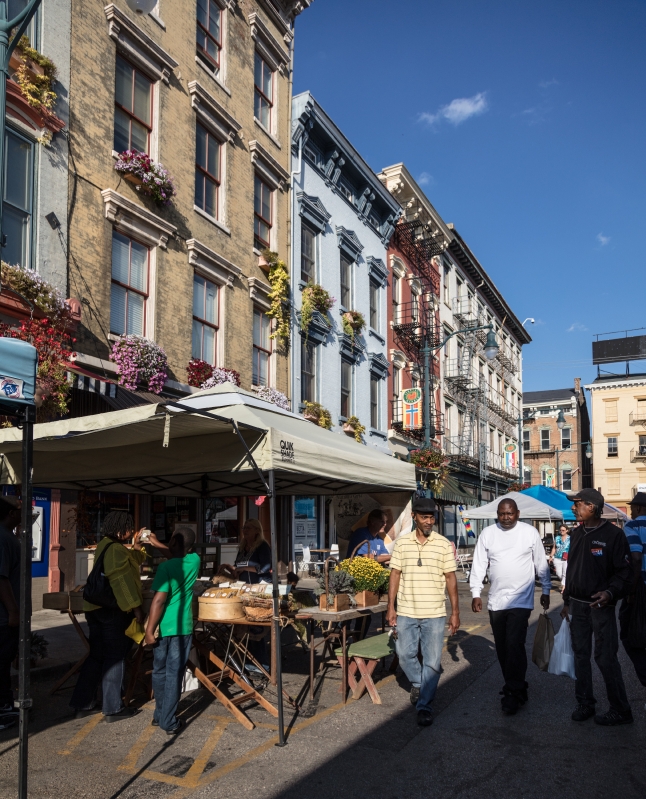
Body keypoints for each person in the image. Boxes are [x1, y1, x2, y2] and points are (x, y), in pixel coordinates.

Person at [470, 498, 551, 716]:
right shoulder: (488, 533)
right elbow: (479, 564)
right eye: (502, 514)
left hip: (520, 600)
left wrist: (545, 590)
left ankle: (513, 691)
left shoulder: (529, 532)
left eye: (510, 513)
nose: (506, 518)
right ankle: (517, 686)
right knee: (503, 647)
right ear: (498, 513)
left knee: (514, 644)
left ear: (518, 513)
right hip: (496, 601)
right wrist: (476, 593)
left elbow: (540, 563)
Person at [561, 488, 633, 726]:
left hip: (600, 607)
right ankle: (585, 703)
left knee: (605, 658)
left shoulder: (614, 535)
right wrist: (566, 601)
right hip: (577, 607)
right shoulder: (577, 533)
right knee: (581, 656)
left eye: (577, 503)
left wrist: (610, 592)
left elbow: (625, 573)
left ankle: (620, 709)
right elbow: (573, 570)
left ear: (591, 507)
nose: (574, 507)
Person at [387, 497, 460, 727]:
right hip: (407, 610)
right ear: (414, 517)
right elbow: (395, 575)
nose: (429, 521)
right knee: (404, 654)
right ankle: (420, 684)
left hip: (435, 613)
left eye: (432, 517)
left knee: (432, 661)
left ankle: (424, 706)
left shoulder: (442, 544)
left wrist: (455, 611)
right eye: (425, 517)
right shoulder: (401, 544)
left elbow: (451, 578)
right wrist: (391, 607)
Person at [70, 511, 147, 722]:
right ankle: (113, 708)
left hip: (95, 608)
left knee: (97, 655)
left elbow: (132, 560)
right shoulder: (116, 550)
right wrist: (136, 608)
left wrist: (138, 546)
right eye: (129, 528)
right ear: (121, 529)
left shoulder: (106, 545)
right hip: (111, 610)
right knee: (115, 657)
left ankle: (82, 703)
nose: (131, 531)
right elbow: (122, 582)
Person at [145, 526, 200, 735]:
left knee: (159, 671)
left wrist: (149, 630)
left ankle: (162, 717)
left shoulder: (166, 568)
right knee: (173, 673)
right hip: (182, 627)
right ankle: (165, 717)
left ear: (174, 543)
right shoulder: (194, 561)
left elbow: (158, 601)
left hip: (162, 627)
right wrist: (159, 543)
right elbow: (177, 552)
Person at [619, 491, 646, 691]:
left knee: (629, 636)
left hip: (641, 588)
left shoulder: (632, 525)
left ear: (638, 509)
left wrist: (632, 591)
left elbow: (636, 558)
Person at [0, 497, 22, 730]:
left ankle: (5, 704)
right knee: (2, 662)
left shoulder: (9, 536)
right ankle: (3, 709)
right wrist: (13, 611)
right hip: (4, 617)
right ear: (10, 514)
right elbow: (1, 578)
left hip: (7, 615)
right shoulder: (3, 538)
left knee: (4, 662)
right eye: (19, 510)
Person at [217, 519, 271, 584]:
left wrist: (244, 568)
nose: (245, 530)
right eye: (244, 528)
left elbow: (265, 568)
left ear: (257, 530)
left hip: (261, 585)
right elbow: (238, 568)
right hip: (245, 586)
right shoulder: (242, 547)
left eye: (248, 528)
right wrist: (227, 566)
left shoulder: (262, 545)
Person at [550, 524, 571, 593]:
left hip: (566, 558)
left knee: (565, 572)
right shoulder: (557, 538)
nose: (561, 531)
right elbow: (554, 548)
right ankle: (566, 583)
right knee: (559, 573)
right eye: (560, 530)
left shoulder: (570, 538)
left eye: (563, 530)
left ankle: (564, 587)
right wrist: (551, 556)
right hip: (557, 557)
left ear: (567, 530)